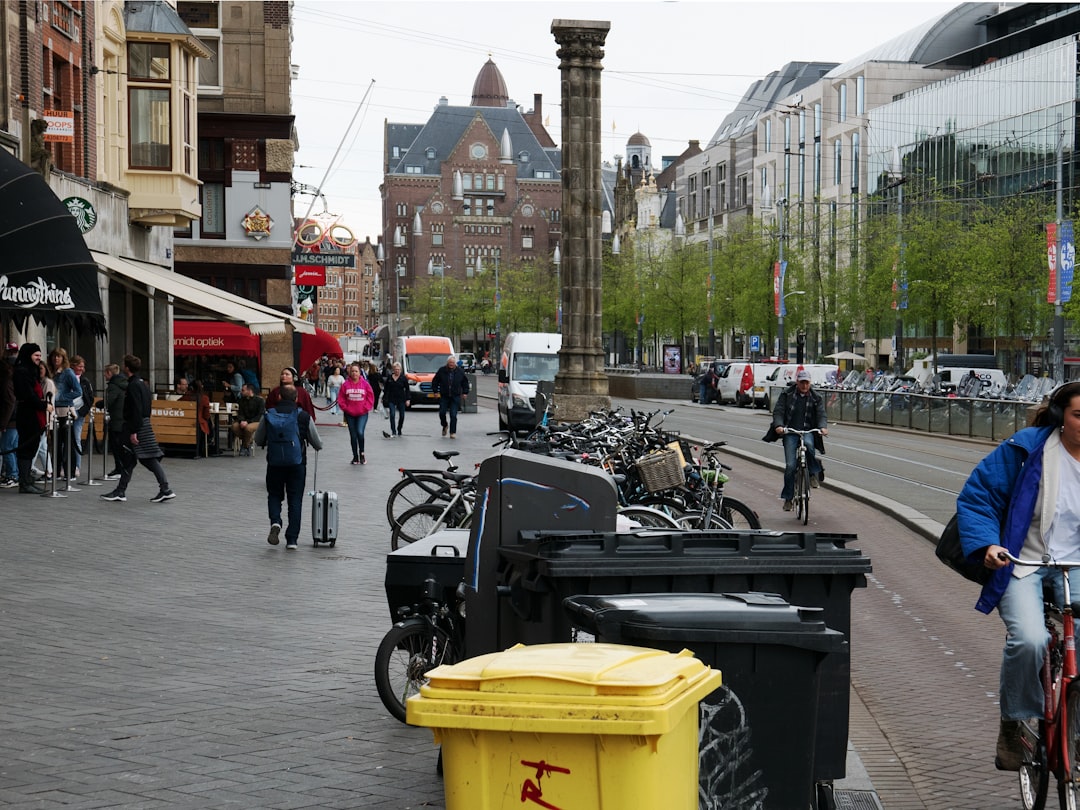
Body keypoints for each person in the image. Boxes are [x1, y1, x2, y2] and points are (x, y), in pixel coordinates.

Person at [958, 381, 1080, 771]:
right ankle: (1014, 721)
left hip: (1077, 564)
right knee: (1030, 640)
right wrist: (989, 546)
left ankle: (1074, 722)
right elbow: (979, 497)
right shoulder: (1027, 449)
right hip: (1023, 562)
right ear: (1062, 417)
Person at [255, 384, 322, 550]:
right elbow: (317, 443)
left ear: (278, 397)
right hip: (297, 463)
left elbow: (258, 439)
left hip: (275, 462)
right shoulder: (303, 416)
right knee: (295, 499)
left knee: (274, 495)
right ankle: (292, 539)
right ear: (297, 399)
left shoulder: (269, 415)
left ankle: (276, 521)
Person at [100, 354, 175, 503]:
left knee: (142, 459)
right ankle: (123, 490)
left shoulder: (133, 385)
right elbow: (146, 406)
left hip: (135, 426)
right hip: (143, 424)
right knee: (138, 459)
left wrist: (134, 431)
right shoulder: (143, 384)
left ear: (127, 368)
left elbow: (135, 408)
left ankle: (164, 488)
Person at [762, 368, 828, 511]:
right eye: (802, 382)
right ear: (797, 382)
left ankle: (812, 474)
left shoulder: (816, 397)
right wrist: (779, 425)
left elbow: (821, 414)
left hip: (807, 431)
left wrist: (822, 427)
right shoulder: (787, 394)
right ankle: (788, 498)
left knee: (810, 446)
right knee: (791, 466)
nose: (804, 386)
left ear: (810, 383)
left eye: (807, 383)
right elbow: (778, 411)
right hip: (790, 432)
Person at [13, 344, 51, 493]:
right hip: (28, 415)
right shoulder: (22, 372)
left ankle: (27, 479)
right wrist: (43, 406)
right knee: (26, 448)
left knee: (32, 447)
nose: (39, 358)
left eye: (40, 355)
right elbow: (28, 396)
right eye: (36, 355)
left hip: (33, 414)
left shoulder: (30, 371)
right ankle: (24, 482)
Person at [49, 347, 81, 481]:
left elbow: (78, 391)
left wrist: (62, 397)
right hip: (53, 411)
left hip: (65, 410)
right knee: (55, 443)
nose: (56, 359)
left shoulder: (68, 372)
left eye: (59, 356)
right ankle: (56, 471)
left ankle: (70, 471)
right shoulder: (51, 372)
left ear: (63, 358)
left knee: (67, 443)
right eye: (55, 356)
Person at [337, 362, 374, 464]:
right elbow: (341, 398)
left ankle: (362, 453)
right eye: (352, 371)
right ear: (350, 372)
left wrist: (365, 408)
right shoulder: (345, 385)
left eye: (356, 371)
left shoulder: (365, 384)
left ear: (359, 372)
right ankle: (355, 456)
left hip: (362, 413)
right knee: (353, 435)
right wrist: (346, 408)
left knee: (360, 432)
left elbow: (370, 397)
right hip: (350, 414)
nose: (354, 373)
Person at [432, 354, 469, 438]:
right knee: (442, 413)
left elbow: (465, 383)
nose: (451, 364)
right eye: (450, 363)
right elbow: (435, 381)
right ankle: (444, 425)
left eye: (452, 362)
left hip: (455, 396)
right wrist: (435, 391)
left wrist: (465, 392)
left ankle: (452, 432)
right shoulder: (442, 370)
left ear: (455, 363)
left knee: (453, 415)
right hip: (444, 396)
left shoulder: (460, 372)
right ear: (447, 363)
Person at [102, 363, 128, 479]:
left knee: (116, 446)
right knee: (119, 446)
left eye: (105, 373)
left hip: (116, 420)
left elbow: (109, 401)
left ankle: (119, 469)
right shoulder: (124, 384)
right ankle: (121, 468)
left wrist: (99, 404)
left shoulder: (113, 386)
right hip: (123, 419)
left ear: (109, 373)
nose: (104, 375)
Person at [230, 383, 265, 455]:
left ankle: (244, 446)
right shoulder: (241, 400)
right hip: (243, 421)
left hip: (256, 421)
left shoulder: (260, 401)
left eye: (243, 390)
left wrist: (247, 422)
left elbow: (259, 415)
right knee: (234, 426)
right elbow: (240, 413)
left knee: (248, 428)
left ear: (249, 391)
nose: (241, 391)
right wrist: (242, 421)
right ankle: (248, 441)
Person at [0, 351, 17, 487]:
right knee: (11, 447)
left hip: (11, 421)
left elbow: (10, 403)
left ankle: (13, 475)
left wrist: (3, 423)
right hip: (14, 419)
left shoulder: (7, 381)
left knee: (7, 447)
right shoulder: (13, 379)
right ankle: (14, 474)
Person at [381, 362, 410, 438]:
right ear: (393, 370)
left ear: (400, 370)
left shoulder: (403, 378)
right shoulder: (390, 378)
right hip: (392, 399)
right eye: (396, 369)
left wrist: (408, 399)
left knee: (402, 416)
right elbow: (386, 389)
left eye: (398, 369)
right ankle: (393, 431)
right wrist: (383, 398)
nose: (397, 371)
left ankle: (399, 429)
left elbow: (407, 389)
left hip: (401, 399)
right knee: (392, 414)